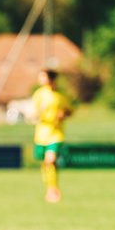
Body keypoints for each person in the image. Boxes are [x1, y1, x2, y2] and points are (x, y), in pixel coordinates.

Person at [32, 70, 73, 203]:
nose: (40, 79)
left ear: (51, 79)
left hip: (56, 133)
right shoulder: (39, 95)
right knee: (45, 163)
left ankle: (53, 189)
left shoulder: (61, 96)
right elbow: (33, 115)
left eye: (43, 77)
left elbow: (70, 111)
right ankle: (49, 187)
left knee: (50, 160)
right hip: (41, 134)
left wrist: (63, 115)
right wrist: (39, 111)